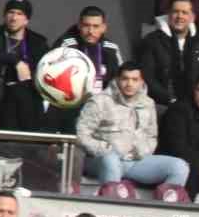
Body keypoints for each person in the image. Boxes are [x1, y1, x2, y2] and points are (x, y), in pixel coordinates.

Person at [75, 62, 189, 190]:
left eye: (135, 80)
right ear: (118, 79)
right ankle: (111, 204)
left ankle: (164, 206)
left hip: (136, 161)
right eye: (125, 79)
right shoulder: (100, 101)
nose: (129, 84)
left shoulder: (148, 103)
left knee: (179, 166)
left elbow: (152, 135)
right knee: (111, 160)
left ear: (141, 82)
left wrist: (143, 151)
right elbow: (81, 134)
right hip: (101, 160)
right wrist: (105, 148)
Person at [0, 0, 49, 132]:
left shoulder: (38, 42)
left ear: (27, 19)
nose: (14, 18)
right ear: (4, 15)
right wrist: (16, 61)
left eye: (19, 14)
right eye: (11, 12)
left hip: (24, 94)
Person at [139, 0, 199, 112]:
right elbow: (147, 78)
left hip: (196, 104)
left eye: (184, 13)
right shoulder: (152, 41)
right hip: (163, 104)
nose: (179, 16)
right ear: (168, 14)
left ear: (192, 17)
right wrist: (170, 99)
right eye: (175, 11)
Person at [54, 6, 124, 93]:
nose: (90, 31)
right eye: (86, 26)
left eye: (96, 26)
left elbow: (121, 80)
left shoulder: (111, 49)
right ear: (79, 26)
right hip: (70, 101)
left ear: (104, 28)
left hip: (103, 102)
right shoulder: (66, 46)